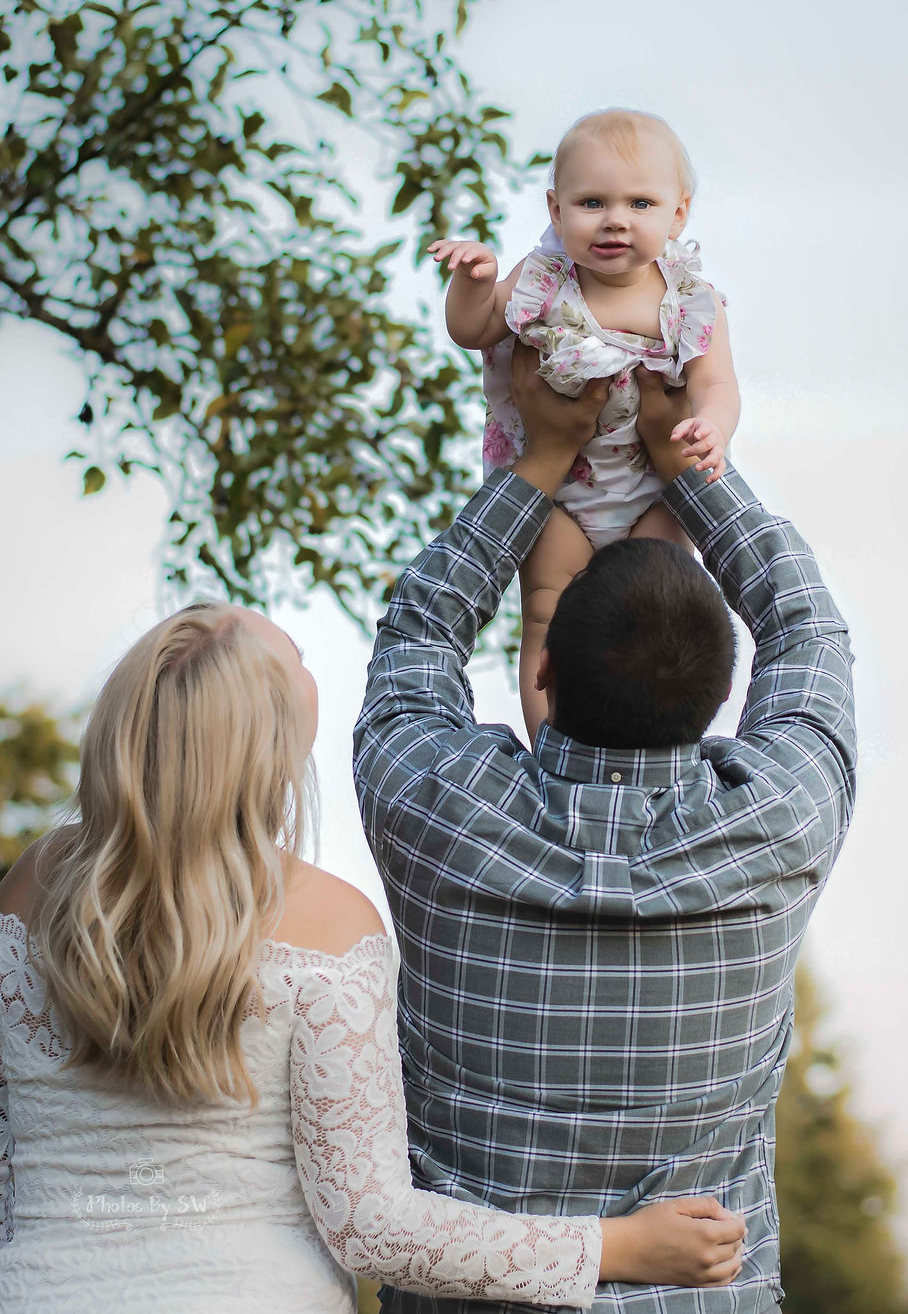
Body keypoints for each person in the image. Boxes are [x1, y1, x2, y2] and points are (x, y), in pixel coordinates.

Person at [0, 604, 745, 1313]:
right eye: (296, 656)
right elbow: (370, 1226)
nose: (306, 657)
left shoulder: (30, 886)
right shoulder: (327, 924)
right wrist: (615, 1245)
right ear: (274, 745)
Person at [354, 344, 856, 1314]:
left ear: (541, 674)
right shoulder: (780, 818)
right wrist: (688, 464)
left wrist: (540, 460)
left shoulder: (438, 808)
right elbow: (806, 628)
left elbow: (418, 633)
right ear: (722, 697)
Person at [429, 108, 740, 738]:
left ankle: (650, 736)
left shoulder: (690, 301)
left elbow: (716, 383)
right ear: (555, 209)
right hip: (559, 495)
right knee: (545, 617)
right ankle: (549, 744)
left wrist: (713, 426)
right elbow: (474, 329)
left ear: (678, 215)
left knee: (657, 620)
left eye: (640, 203)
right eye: (592, 202)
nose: (615, 219)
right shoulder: (543, 279)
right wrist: (473, 282)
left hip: (654, 491)